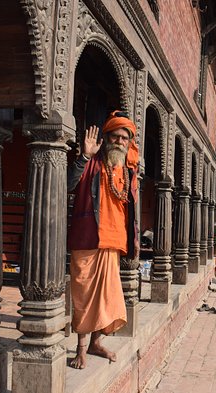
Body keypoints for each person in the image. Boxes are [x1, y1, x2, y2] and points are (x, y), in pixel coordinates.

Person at [66, 110, 140, 369]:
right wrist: (84, 156)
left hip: (113, 242)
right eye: (115, 136)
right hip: (87, 238)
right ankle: (80, 350)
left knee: (106, 300)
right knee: (84, 297)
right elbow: (67, 184)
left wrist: (135, 242)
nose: (120, 141)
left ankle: (96, 343)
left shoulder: (129, 172)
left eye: (124, 138)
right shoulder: (91, 163)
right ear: (106, 138)